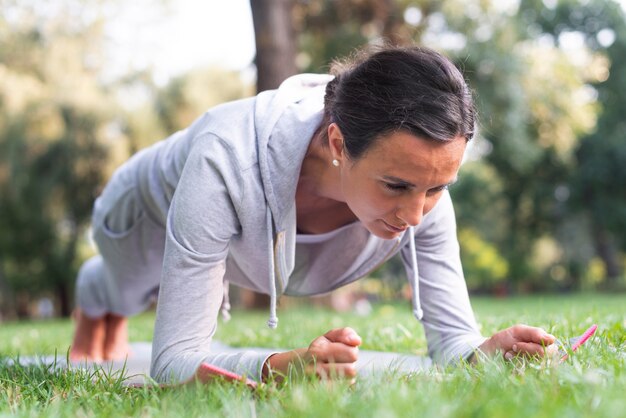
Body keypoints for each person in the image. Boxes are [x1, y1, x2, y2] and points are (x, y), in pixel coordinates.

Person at [70, 45, 556, 384]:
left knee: (124, 322)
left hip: (236, 237)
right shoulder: (224, 158)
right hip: (143, 212)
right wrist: (277, 367)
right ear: (339, 143)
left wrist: (482, 354)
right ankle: (96, 293)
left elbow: (453, 342)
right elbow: (173, 361)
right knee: (124, 293)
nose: (415, 214)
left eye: (436, 188)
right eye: (396, 186)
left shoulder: (423, 190)